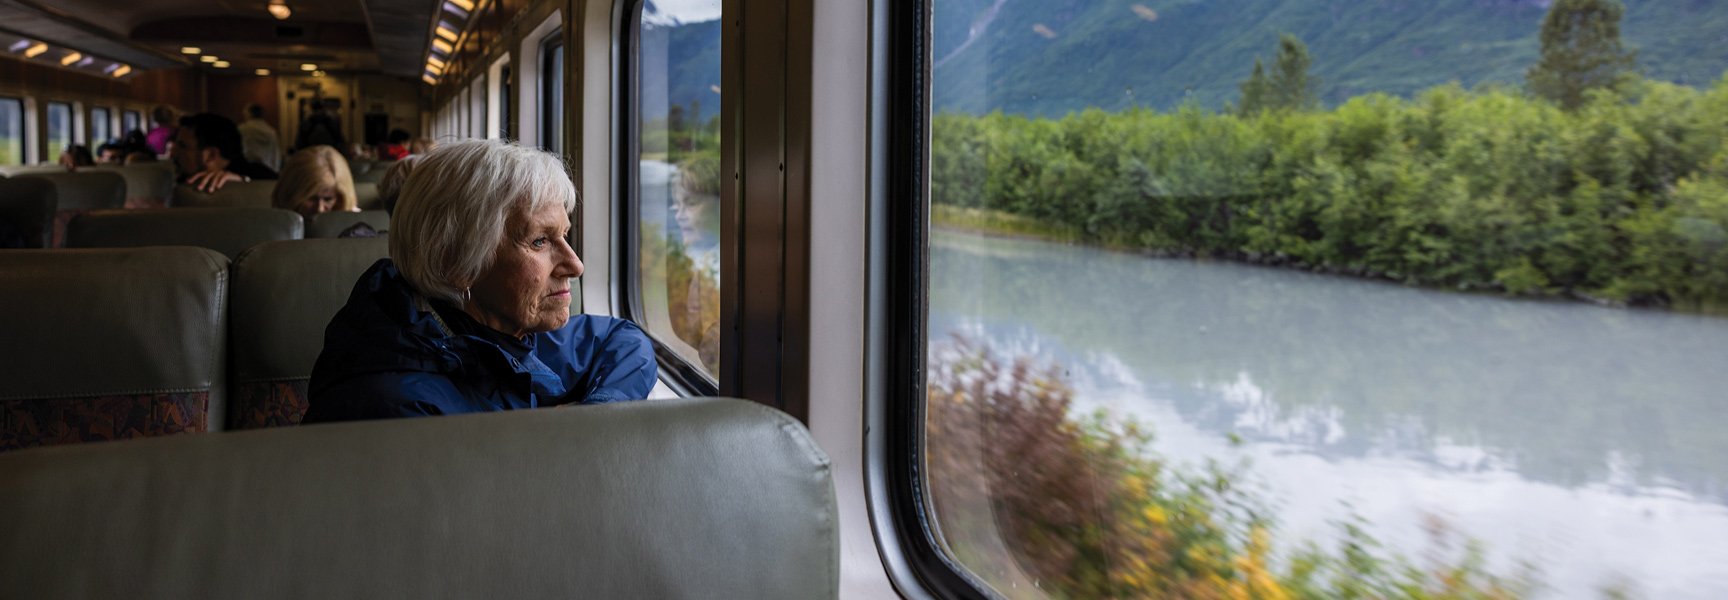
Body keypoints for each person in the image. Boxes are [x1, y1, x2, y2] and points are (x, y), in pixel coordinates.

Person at [301, 139, 656, 423]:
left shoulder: (496, 332)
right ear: (456, 265)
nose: (575, 265)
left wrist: (594, 415)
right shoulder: (399, 415)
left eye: (564, 235)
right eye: (539, 241)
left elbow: (624, 340)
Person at [172, 113, 280, 192]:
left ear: (211, 155)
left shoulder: (260, 177)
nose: (173, 154)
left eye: (182, 147)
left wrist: (243, 185)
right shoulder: (181, 180)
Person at [272, 145, 357, 219]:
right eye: (312, 198)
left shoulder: (356, 225)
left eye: (328, 199)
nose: (320, 209)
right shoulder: (273, 224)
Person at [237, 103, 282, 171]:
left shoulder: (242, 129)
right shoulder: (271, 131)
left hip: (246, 170)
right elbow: (276, 154)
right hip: (268, 170)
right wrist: (275, 171)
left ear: (249, 114)